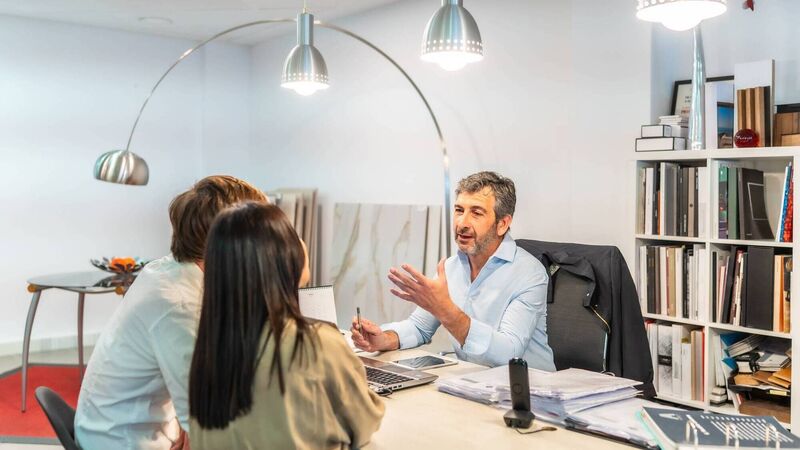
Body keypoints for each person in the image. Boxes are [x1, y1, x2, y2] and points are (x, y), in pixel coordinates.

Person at [75, 175, 267, 450]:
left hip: (121, 426)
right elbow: (209, 429)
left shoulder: (165, 270)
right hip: (123, 440)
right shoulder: (180, 306)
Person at [188, 202, 385, 449]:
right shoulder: (316, 342)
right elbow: (366, 421)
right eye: (291, 235)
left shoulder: (209, 350)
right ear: (280, 257)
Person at [351, 171, 556, 371]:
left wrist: (446, 311)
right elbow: (419, 327)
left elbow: (509, 353)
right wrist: (384, 339)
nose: (462, 223)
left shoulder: (529, 273)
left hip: (530, 388)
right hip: (472, 382)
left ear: (502, 224)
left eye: (476, 213)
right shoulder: (451, 267)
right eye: (459, 210)